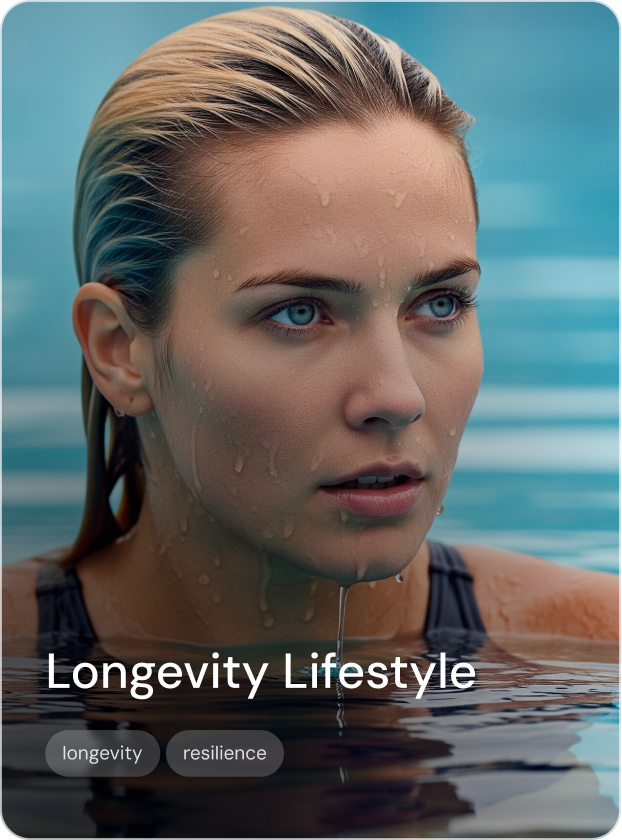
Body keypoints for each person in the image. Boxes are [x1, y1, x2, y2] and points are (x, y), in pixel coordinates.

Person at [3, 6, 617, 648]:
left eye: (440, 304)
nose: (397, 398)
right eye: (298, 313)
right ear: (120, 350)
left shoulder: (599, 647)